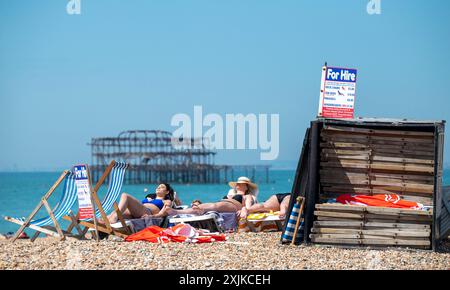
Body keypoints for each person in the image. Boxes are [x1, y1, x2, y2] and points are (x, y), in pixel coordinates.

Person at [150, 177, 258, 218]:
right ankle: (176, 212)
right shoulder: (231, 193)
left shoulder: (248, 196)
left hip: (235, 206)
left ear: (246, 186)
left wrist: (244, 209)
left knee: (214, 205)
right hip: (224, 203)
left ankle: (182, 212)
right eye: (237, 183)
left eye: (240, 184)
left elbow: (248, 208)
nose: (237, 185)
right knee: (205, 205)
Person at [101, 183, 176, 224]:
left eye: (162, 187)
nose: (158, 188)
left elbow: (164, 213)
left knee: (125, 195)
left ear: (167, 192)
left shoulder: (167, 201)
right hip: (136, 212)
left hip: (147, 212)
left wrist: (152, 216)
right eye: (158, 187)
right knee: (109, 216)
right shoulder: (150, 198)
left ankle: (114, 218)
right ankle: (101, 224)